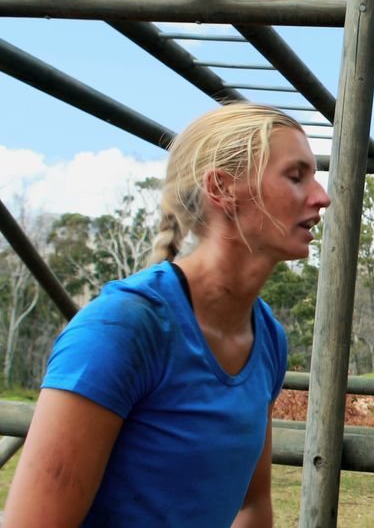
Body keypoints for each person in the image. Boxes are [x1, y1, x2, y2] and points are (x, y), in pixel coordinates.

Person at [4, 103, 331, 526]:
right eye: (295, 175)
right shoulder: (121, 329)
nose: (321, 196)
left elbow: (251, 504)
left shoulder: (267, 336)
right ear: (222, 188)